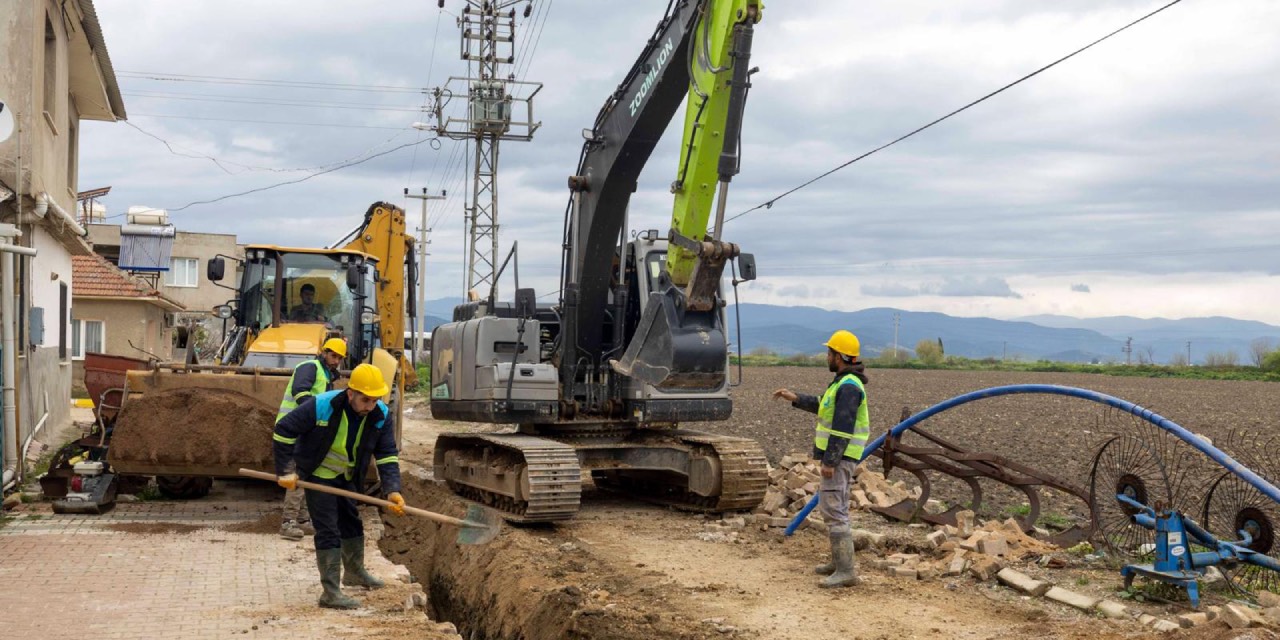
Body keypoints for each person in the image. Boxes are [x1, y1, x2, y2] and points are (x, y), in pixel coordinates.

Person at [272, 363, 406, 610]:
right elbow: (283, 431)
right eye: (366, 399)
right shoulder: (322, 405)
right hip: (318, 474)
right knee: (328, 529)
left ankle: (354, 573)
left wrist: (393, 489)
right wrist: (286, 470)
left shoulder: (380, 415)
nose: (370, 406)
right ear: (351, 393)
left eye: (375, 400)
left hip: (347, 476)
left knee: (351, 521)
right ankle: (331, 592)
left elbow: (386, 454)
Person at [772, 329, 870, 588]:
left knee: (834, 509)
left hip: (840, 458)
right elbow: (823, 405)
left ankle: (846, 570)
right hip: (842, 458)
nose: (826, 357)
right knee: (834, 507)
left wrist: (830, 461)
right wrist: (795, 398)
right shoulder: (843, 383)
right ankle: (839, 563)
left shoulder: (849, 386)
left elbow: (841, 427)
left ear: (839, 356)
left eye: (829, 353)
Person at [276, 338, 348, 541]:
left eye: (339, 358)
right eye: (333, 356)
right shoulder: (310, 367)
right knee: (299, 473)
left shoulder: (326, 375)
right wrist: (316, 418)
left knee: (308, 472)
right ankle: (288, 522)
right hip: (294, 427)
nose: (336, 361)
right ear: (323, 352)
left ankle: (301, 519)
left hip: (307, 428)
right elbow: (301, 394)